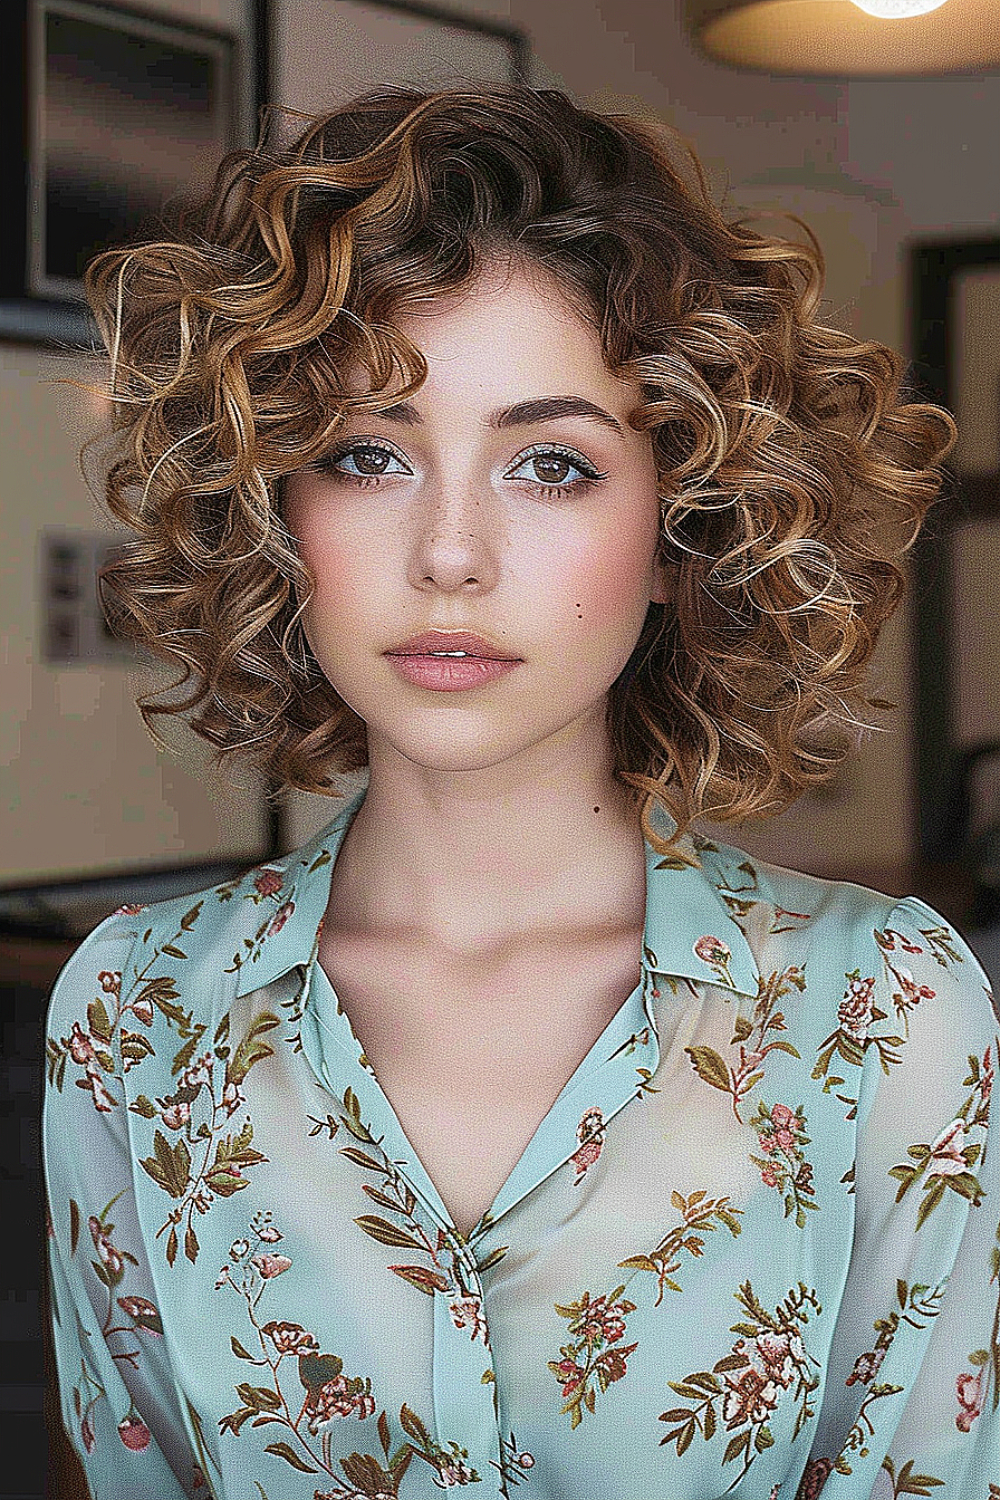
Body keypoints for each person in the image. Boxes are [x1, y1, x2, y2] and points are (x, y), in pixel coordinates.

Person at [42, 84, 998, 1500]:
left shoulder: (885, 1016)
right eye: (367, 457)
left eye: (552, 465)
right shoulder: (131, 1017)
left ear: (682, 528)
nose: (449, 553)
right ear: (272, 507)